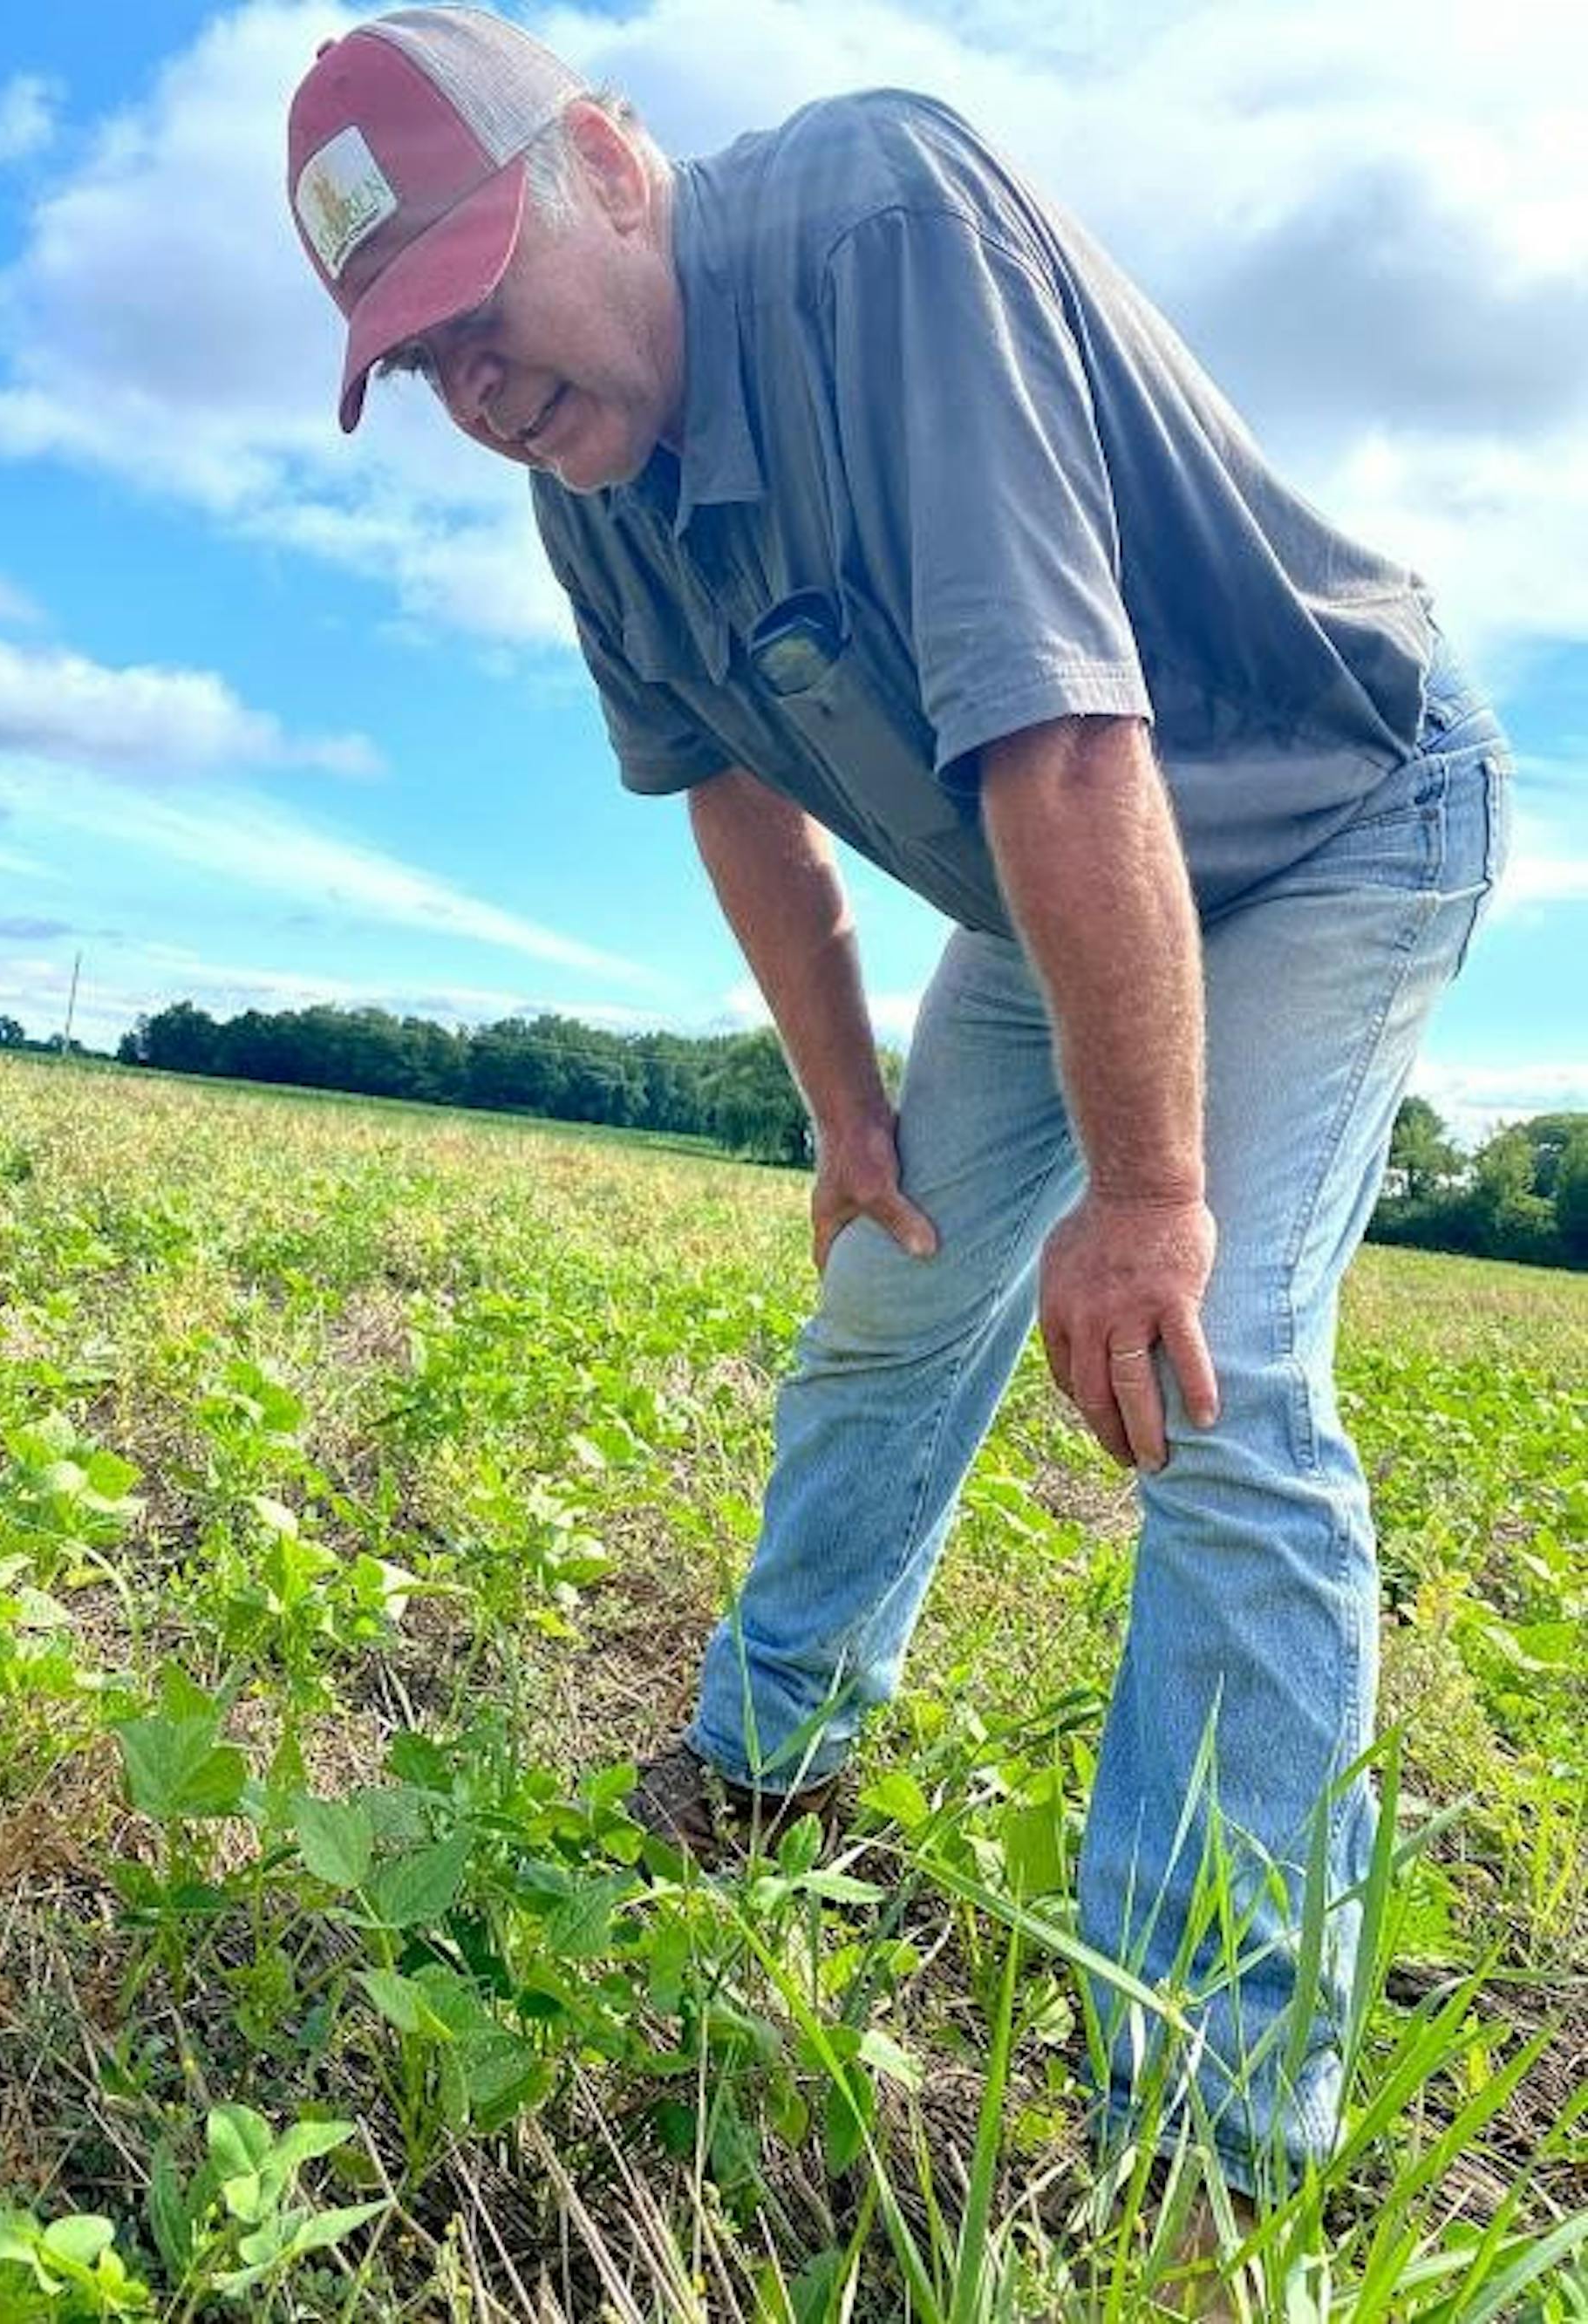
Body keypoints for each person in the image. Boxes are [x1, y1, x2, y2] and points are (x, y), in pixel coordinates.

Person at [286, 6, 1511, 2193]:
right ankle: (765, 1762)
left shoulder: (880, 230)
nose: (469, 385)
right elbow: (733, 798)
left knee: (1213, 1383)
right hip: (1070, 894)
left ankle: (1203, 2129)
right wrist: (849, 1118)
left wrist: (1148, 1191)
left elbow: (1061, 741)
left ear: (607, 160)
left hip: (1320, 809)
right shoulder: (596, 491)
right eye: (412, 358)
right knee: (889, 1286)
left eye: (475, 299)